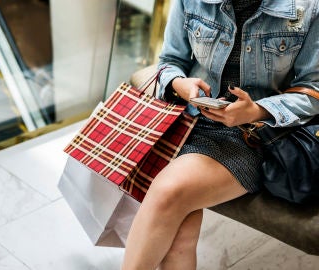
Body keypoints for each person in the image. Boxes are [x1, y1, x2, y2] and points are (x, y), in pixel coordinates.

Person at [121, 0, 319, 269]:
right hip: (186, 121)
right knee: (181, 235)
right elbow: (169, 62)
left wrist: (257, 110)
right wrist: (181, 84)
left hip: (252, 136)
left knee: (169, 193)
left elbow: (313, 91)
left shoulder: (307, 7)